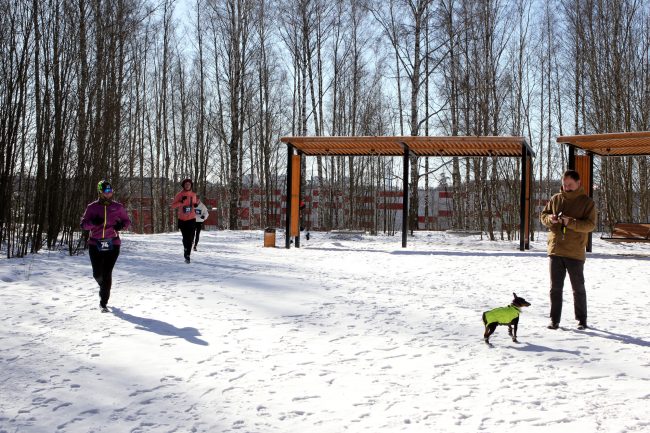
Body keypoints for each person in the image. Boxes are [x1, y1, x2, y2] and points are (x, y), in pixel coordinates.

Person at [540, 169, 596, 330]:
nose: (566, 188)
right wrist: (550, 219)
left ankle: (581, 320)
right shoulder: (555, 199)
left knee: (578, 288)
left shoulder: (587, 202)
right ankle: (554, 320)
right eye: (564, 185)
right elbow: (543, 216)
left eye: (570, 185)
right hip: (555, 249)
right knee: (555, 288)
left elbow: (590, 225)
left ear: (578, 183)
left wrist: (570, 222)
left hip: (575, 251)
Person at [80, 180, 131, 313]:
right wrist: (93, 222)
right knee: (97, 274)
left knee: (107, 273)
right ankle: (105, 287)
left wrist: (121, 226)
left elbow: (127, 221)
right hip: (95, 244)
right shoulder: (92, 207)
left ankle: (103, 303)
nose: (109, 194)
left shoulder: (117, 207)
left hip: (112, 244)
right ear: (100, 192)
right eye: (106, 191)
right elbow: (83, 224)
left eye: (110, 191)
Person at [171, 178, 199, 263]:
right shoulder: (179, 195)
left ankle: (187, 255)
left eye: (189, 185)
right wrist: (181, 202)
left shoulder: (193, 195)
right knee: (185, 238)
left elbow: (194, 205)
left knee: (190, 238)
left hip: (192, 218)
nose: (187, 186)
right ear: (183, 185)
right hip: (182, 219)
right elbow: (173, 206)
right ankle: (186, 249)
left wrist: (195, 205)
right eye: (186, 184)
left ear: (191, 186)